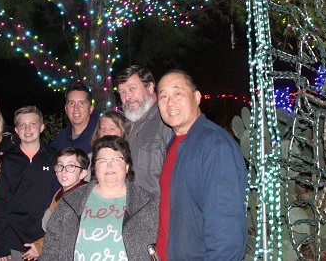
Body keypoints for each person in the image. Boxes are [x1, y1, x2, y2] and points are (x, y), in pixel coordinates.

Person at [155, 70, 247, 260]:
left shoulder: (214, 145)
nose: (170, 102)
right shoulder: (175, 145)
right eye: (163, 96)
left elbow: (226, 229)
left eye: (177, 93)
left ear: (197, 97)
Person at [40, 136, 158, 261]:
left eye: (117, 160)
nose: (110, 165)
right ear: (95, 167)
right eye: (102, 161)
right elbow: (50, 249)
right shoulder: (70, 202)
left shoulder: (148, 203)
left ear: (127, 165)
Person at [0, 106, 56, 261]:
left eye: (33, 124)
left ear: (42, 127)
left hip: (46, 236)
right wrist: (0, 245)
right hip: (14, 238)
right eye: (22, 125)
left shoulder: (54, 158)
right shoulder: (7, 160)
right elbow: (0, 203)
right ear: (16, 129)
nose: (27, 128)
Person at [115, 65, 174, 196]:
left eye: (132, 89)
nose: (127, 96)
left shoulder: (167, 122)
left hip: (157, 211)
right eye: (122, 92)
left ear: (150, 87)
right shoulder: (126, 125)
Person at [29, 147, 90, 259]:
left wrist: (41, 247)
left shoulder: (85, 198)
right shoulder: (59, 194)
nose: (63, 171)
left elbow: (68, 236)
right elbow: (55, 231)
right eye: (60, 166)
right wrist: (39, 246)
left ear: (83, 173)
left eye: (71, 166)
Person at [49, 83, 98, 155]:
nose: (76, 108)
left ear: (91, 109)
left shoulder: (100, 135)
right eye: (71, 103)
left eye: (81, 103)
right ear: (66, 109)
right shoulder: (61, 139)